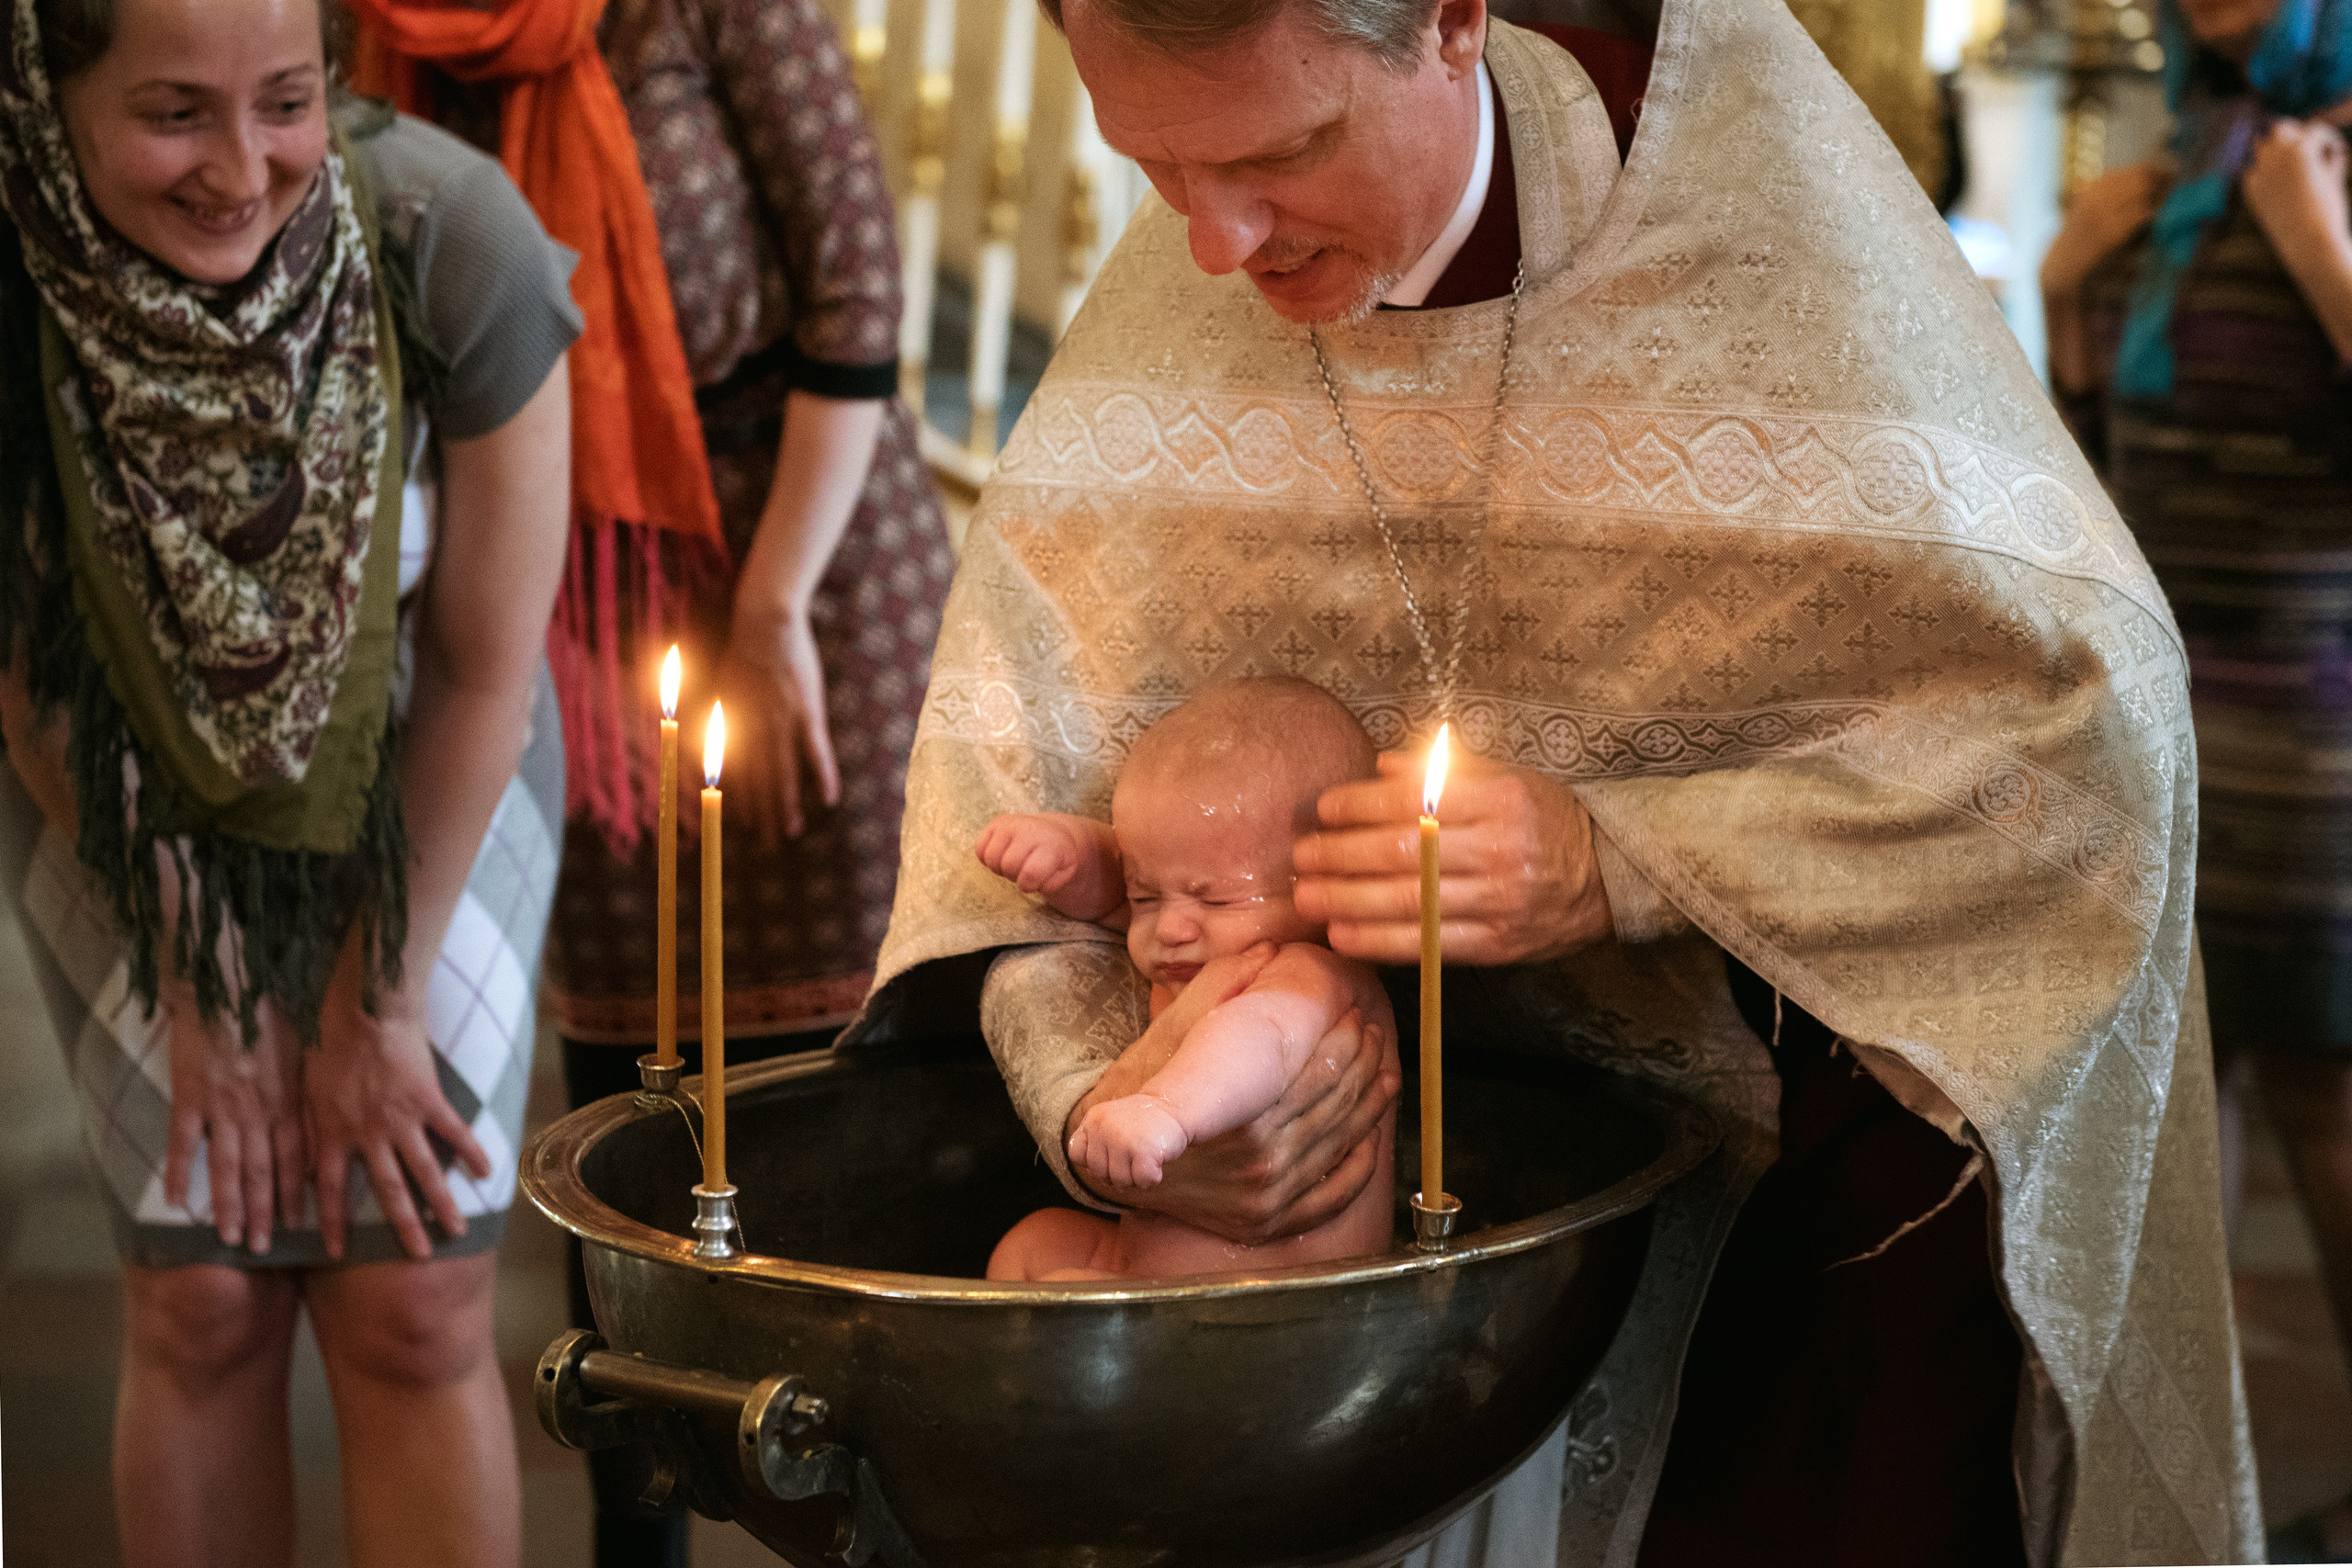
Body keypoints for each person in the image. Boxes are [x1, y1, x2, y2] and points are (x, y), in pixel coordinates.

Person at [846, 0, 2261, 1562]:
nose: (1213, 247)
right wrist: (1117, 1107)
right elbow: (1005, 809)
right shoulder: (1193, 266)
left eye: (1281, 153)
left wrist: (1625, 859)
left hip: (1774, 1239)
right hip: (1311, 1298)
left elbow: (2088, 745)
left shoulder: (1751, 230)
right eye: (1155, 166)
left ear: (1452, 19)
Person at [339, 1, 956, 1561]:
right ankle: (646, 1510)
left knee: (854, 1089)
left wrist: (771, 611)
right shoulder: (353, 31)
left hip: (797, 562)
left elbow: (858, 294)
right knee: (626, 1089)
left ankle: (887, 1492)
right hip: (555, 584)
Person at [0, 0, 577, 1562]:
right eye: (173, 112)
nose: (240, 170)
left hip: (428, 773)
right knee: (201, 1294)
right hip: (110, 781)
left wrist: (372, 1000)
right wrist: (204, 985)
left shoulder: (456, 237)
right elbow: (27, 677)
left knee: (413, 1288)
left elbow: (478, 667)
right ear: (49, 92)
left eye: (286, 101)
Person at [2042, 0, 2352, 1559]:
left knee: (2332, 1109)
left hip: (2326, 747)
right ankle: (2187, 1502)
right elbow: (2104, 480)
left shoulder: (2323, 163)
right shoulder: (2191, 165)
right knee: (2180, 1118)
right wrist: (2065, 295)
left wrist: (2324, 254)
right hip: (2173, 734)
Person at [978, 676, 1397, 1280]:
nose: (1171, 927)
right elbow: (1150, 888)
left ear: (1330, 887)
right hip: (1168, 1268)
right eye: (1144, 894)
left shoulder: (1311, 974)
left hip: (1277, 1303)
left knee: (1072, 1303)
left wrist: (1165, 1111)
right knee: (1031, 1246)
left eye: (1218, 900)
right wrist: (1073, 857)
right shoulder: (1212, 938)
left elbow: (1260, 1039)